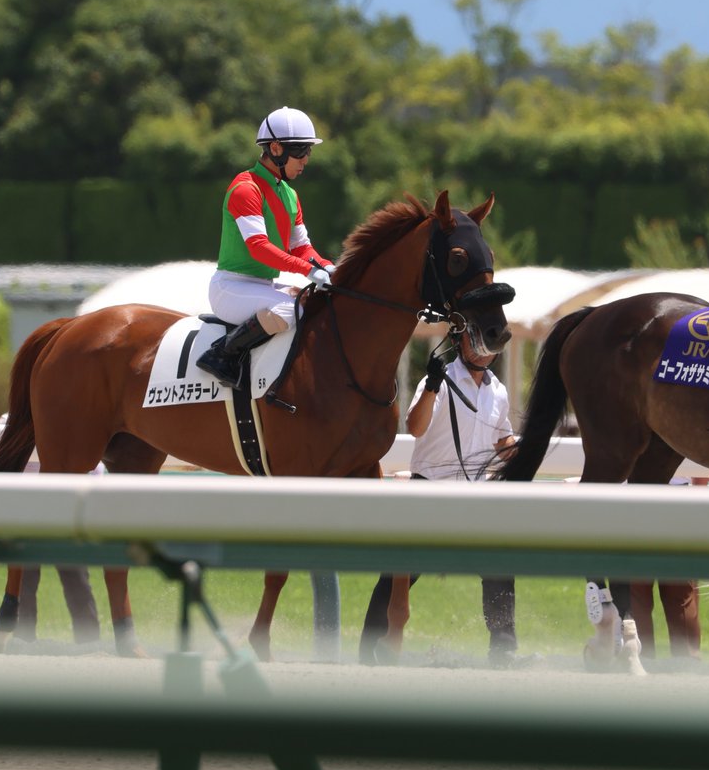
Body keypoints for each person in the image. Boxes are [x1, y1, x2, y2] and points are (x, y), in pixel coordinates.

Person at [359, 331, 519, 667]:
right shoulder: (441, 381)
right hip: (429, 489)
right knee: (398, 574)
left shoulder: (498, 392)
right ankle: (368, 652)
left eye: (490, 345)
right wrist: (431, 385)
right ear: (462, 343)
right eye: (477, 342)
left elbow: (502, 440)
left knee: (499, 568)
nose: (483, 350)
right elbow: (415, 426)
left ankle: (503, 652)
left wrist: (526, 454)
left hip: (474, 496)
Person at [196, 106, 335, 390]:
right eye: (300, 151)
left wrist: (329, 267)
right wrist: (309, 270)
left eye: (309, 151)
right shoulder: (245, 188)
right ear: (275, 148)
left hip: (261, 286)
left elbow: (302, 248)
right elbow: (259, 248)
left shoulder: (290, 195)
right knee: (291, 311)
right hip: (230, 289)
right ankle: (223, 353)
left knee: (315, 305)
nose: (306, 160)